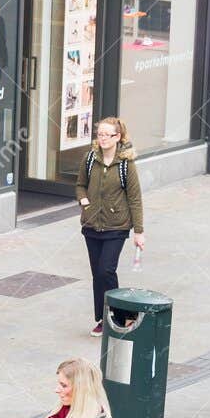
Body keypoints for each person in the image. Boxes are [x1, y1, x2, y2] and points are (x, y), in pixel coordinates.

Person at [76, 118, 145, 336]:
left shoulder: (126, 165)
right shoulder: (90, 159)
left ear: (118, 137)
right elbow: (80, 185)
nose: (102, 138)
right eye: (100, 134)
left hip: (116, 226)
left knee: (107, 269)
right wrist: (84, 202)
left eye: (107, 135)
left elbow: (135, 198)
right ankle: (102, 319)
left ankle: (118, 316)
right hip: (91, 225)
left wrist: (139, 231)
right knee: (98, 274)